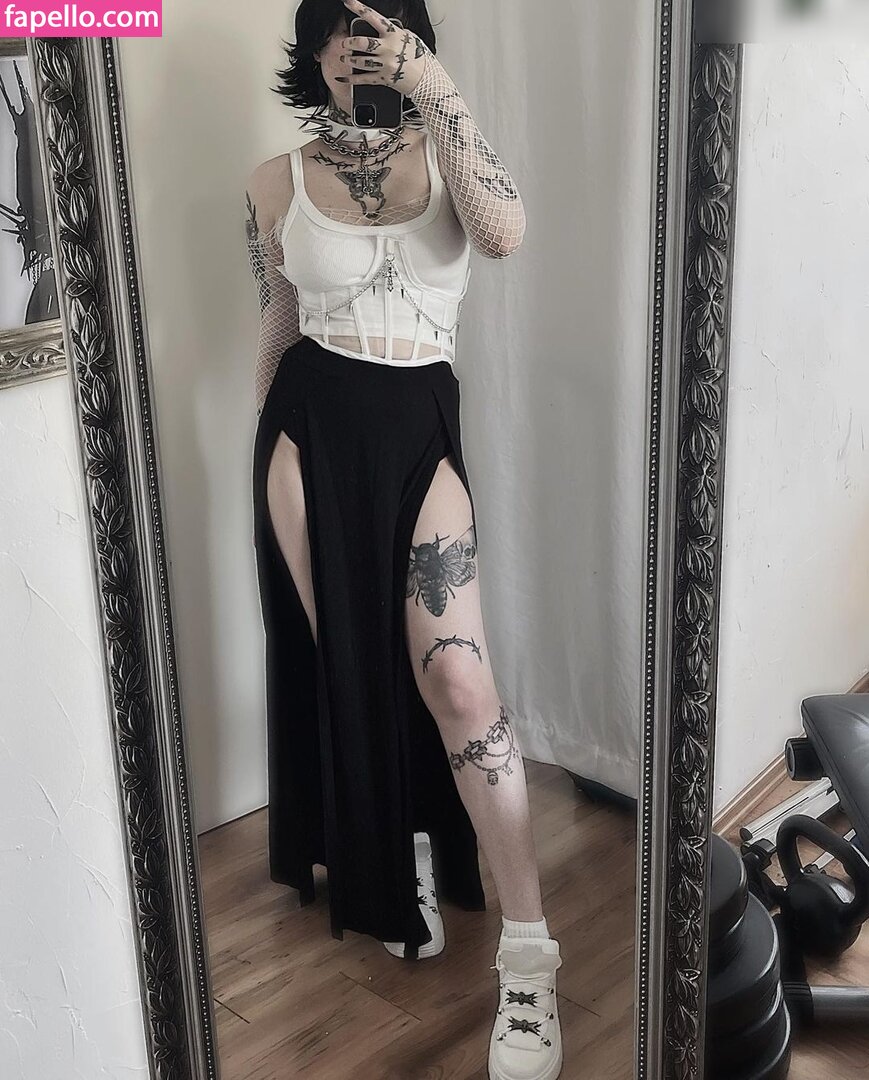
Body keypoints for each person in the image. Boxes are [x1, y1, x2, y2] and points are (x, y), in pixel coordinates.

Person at [245, 3, 563, 1076]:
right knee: (357, 671)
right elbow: (278, 323)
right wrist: (263, 453)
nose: (355, 38)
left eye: (377, 20)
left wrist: (435, 89)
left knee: (460, 685)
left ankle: (529, 957)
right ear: (311, 47)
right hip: (307, 432)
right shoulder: (272, 180)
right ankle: (395, 859)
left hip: (417, 420)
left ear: (414, 35)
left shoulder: (453, 150)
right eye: (334, 23)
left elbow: (505, 234)